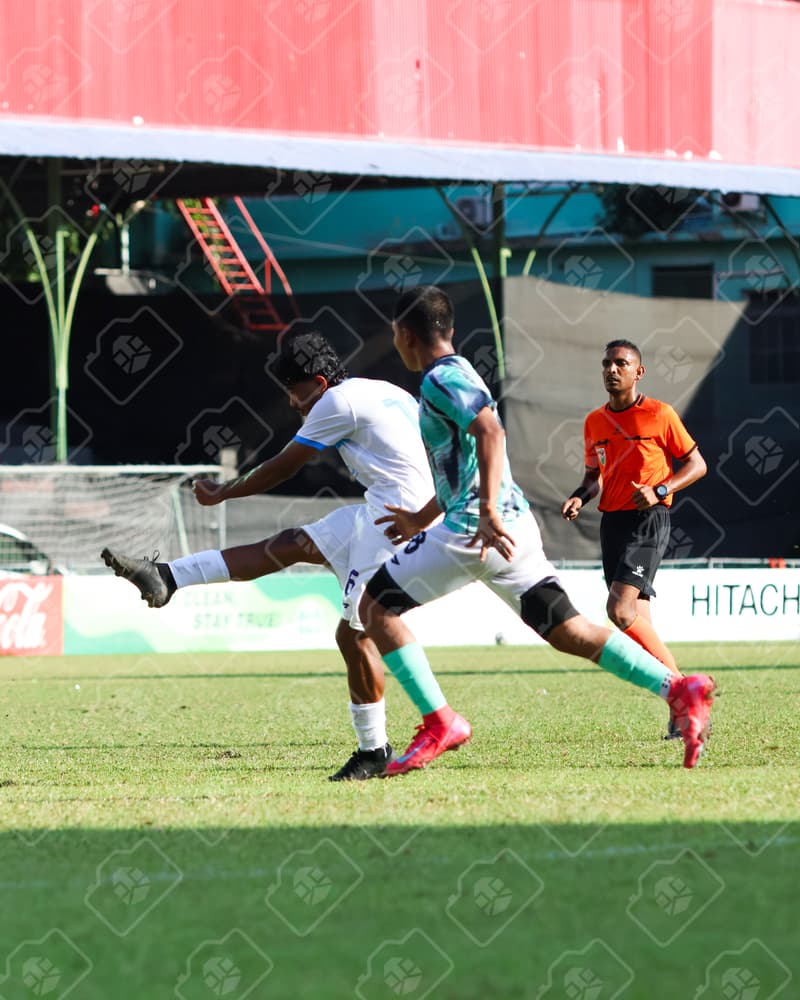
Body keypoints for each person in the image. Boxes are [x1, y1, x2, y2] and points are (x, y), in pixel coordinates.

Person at [357, 286, 716, 774]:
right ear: (451, 331)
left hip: (478, 529)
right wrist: (421, 519)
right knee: (571, 630)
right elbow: (461, 463)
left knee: (374, 607)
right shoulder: (460, 372)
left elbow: (491, 432)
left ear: (403, 334)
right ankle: (679, 689)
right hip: (515, 527)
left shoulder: (440, 379)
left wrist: (484, 511)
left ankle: (440, 721)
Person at [101, 331, 436, 782]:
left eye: (294, 392)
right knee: (286, 546)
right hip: (386, 511)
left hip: (394, 523)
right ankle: (167, 576)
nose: (294, 403)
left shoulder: (337, 403)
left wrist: (224, 493)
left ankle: (375, 749)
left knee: (355, 636)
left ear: (318, 382)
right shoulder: (379, 390)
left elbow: (285, 464)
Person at [560, 339, 707, 738]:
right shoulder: (594, 422)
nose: (612, 369)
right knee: (637, 624)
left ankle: (683, 692)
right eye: (607, 363)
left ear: (638, 372)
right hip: (614, 523)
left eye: (621, 363)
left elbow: (697, 464)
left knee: (619, 611)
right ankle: (683, 707)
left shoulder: (660, 414)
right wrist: (580, 495)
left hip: (649, 519)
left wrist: (660, 490)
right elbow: (595, 476)